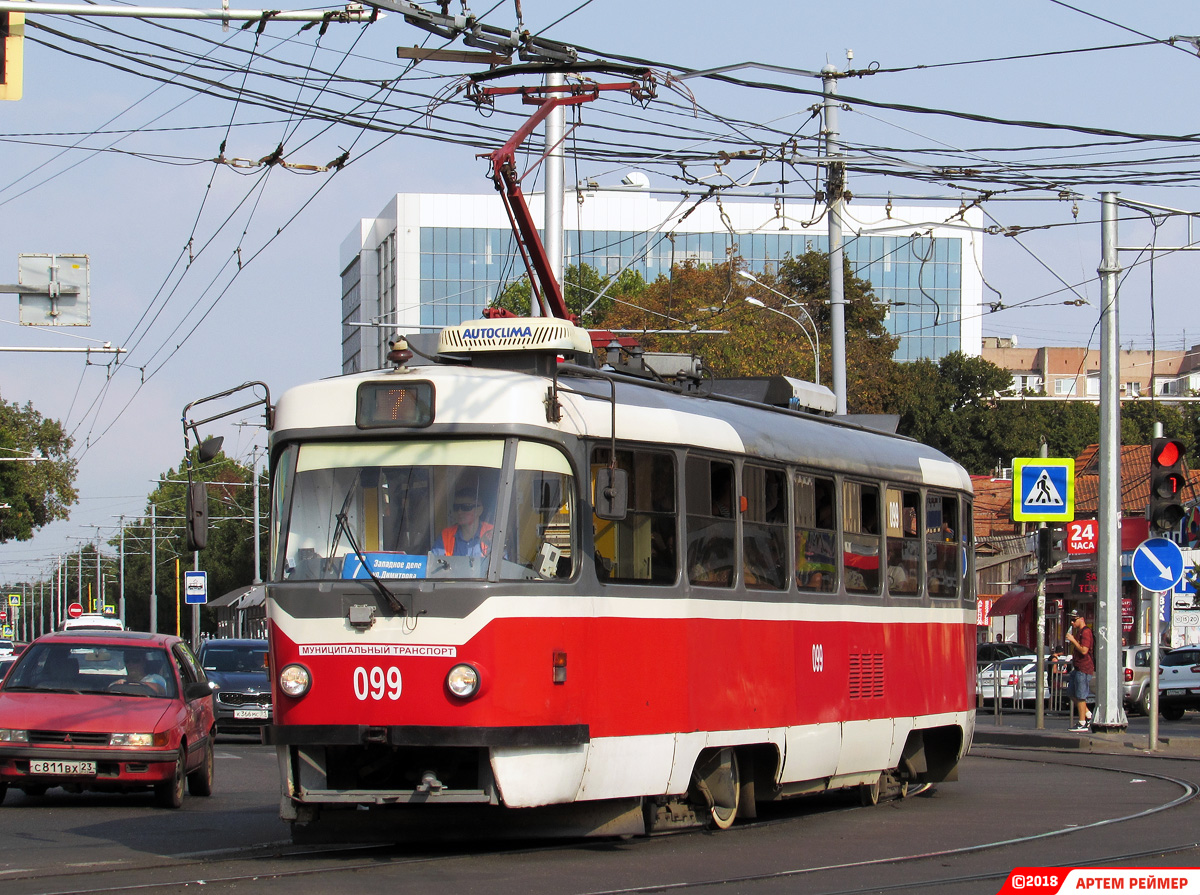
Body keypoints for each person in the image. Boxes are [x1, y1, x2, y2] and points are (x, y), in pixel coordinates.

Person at [434, 486, 494, 558]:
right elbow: (435, 563)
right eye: (456, 507)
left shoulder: (492, 533)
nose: (459, 511)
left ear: (479, 510)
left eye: (466, 507)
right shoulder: (446, 535)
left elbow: (503, 564)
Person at [1065, 609, 1095, 731]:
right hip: (1077, 667)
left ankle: (1082, 722)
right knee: (1072, 693)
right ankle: (1088, 715)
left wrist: (1073, 640)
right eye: (1071, 620)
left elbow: (1084, 650)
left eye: (1074, 620)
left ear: (1081, 619)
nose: (1072, 622)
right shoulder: (1079, 632)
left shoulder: (1086, 632)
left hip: (1084, 667)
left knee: (1081, 696)